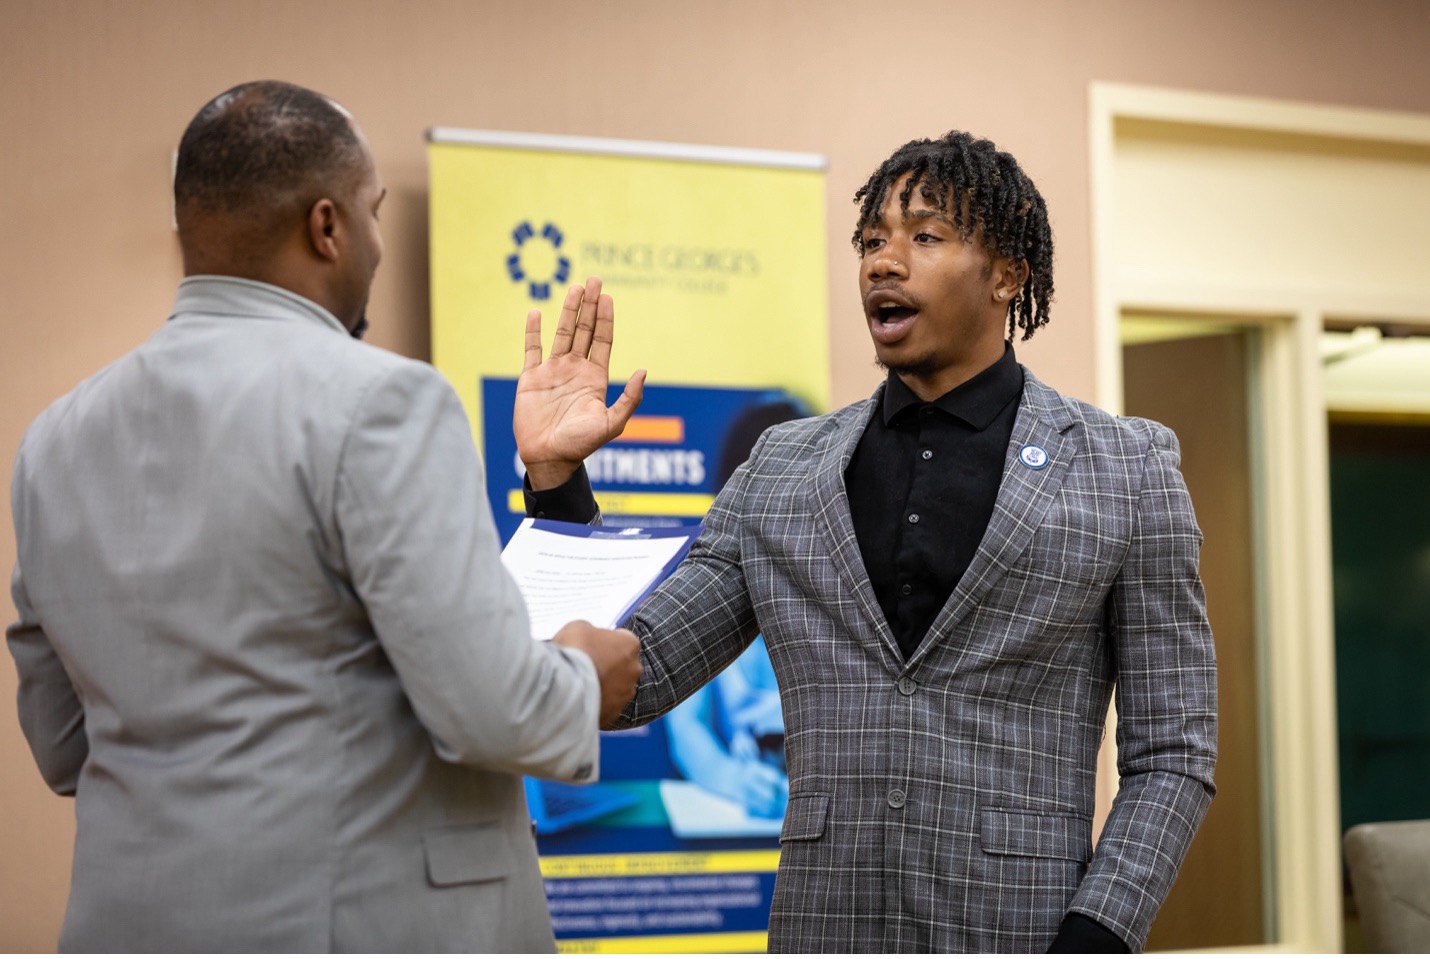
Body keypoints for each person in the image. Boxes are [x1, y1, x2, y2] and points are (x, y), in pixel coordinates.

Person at [514, 131, 1218, 952]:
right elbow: (636, 671)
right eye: (873, 239)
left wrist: (1097, 935)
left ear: (1007, 275)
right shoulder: (781, 467)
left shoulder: (1126, 469)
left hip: (1023, 931)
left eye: (924, 236)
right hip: (823, 930)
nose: (885, 261)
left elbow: (1174, 750)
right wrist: (556, 480)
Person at [6, 80, 643, 952]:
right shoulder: (382, 401)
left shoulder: (53, 441)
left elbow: (61, 745)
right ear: (327, 226)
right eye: (374, 213)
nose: (378, 244)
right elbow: (493, 711)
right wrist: (579, 673)